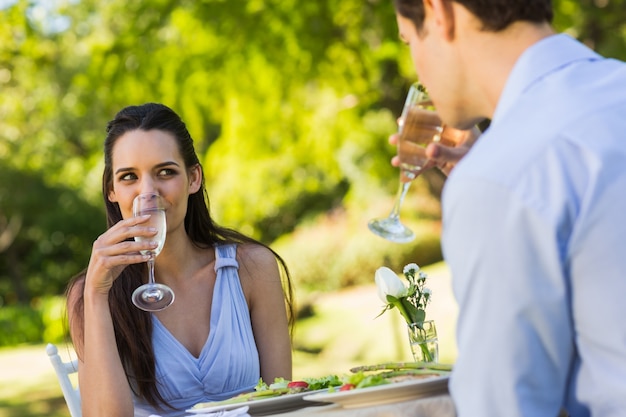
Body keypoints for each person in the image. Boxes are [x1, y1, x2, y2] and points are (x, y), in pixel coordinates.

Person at [391, 1, 626, 416]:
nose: (416, 66)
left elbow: (506, 406)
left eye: (409, 40)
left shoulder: (501, 176)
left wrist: (491, 183)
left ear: (439, 12)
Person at [66, 103, 294, 417]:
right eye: (129, 177)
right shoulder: (91, 294)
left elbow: (282, 405)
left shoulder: (253, 269)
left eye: (165, 172)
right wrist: (96, 295)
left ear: (194, 178)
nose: (148, 193)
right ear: (112, 191)